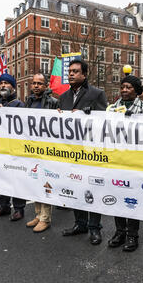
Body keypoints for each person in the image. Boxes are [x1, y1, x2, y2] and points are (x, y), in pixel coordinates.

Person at [59, 59, 107, 245]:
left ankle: (95, 228)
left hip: (91, 152)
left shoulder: (97, 93)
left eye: (76, 71)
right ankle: (80, 224)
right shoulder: (63, 97)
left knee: (93, 189)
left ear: (84, 75)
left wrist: (91, 114)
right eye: (70, 71)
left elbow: (104, 122)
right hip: (71, 153)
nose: (71, 74)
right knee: (76, 188)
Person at [106, 76, 143, 252]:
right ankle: (119, 231)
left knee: (132, 199)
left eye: (128, 87)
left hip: (135, 161)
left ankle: (132, 235)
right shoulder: (112, 108)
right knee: (117, 197)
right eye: (122, 87)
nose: (124, 90)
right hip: (117, 159)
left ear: (137, 90)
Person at [0, 74, 27, 221]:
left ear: (13, 87)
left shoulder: (19, 104)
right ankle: (3, 206)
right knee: (2, 177)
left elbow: (20, 123)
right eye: (1, 83)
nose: (3, 85)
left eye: (6, 83)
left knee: (16, 178)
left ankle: (19, 208)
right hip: (0, 146)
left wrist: (3, 109)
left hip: (15, 148)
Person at [25, 73, 59, 233]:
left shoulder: (53, 102)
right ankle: (38, 215)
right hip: (32, 148)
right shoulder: (29, 101)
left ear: (46, 86)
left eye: (40, 83)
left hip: (47, 149)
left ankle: (46, 218)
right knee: (35, 182)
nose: (36, 86)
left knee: (46, 183)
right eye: (34, 83)